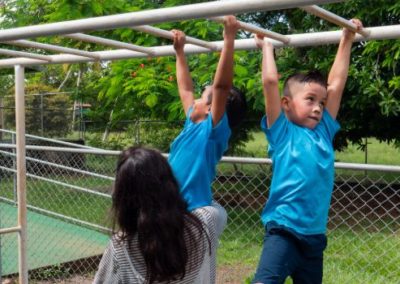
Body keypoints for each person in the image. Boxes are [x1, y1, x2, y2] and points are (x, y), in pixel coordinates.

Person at [252, 19, 363, 284]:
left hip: (314, 238)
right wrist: (266, 47)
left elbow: (336, 83)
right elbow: (270, 82)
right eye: (310, 99)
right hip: (284, 232)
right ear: (286, 104)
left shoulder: (323, 132)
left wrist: (347, 38)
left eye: (321, 103)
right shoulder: (282, 133)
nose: (317, 107)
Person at [94, 146, 220, 283]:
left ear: (122, 197)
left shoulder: (121, 247)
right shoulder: (206, 222)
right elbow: (211, 204)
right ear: (170, 184)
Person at [168, 15, 246, 213]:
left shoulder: (212, 130)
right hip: (170, 202)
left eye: (201, 97)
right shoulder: (193, 123)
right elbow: (185, 89)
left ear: (211, 109)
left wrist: (229, 38)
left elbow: (221, 86)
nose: (194, 100)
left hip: (192, 208)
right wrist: (179, 53)